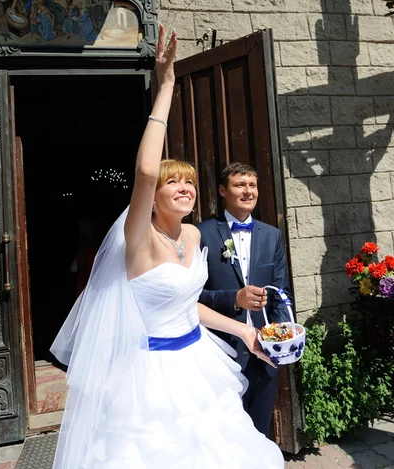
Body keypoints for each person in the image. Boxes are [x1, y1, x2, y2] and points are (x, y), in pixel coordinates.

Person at [50, 25, 284, 469]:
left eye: (190, 182)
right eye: (172, 182)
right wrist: (166, 86)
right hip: (150, 378)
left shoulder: (193, 237)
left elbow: (187, 305)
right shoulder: (137, 240)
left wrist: (244, 331)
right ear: (152, 197)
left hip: (198, 364)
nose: (184, 188)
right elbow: (142, 171)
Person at [197, 162, 292, 437]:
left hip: (264, 353)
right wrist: (234, 299)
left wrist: (282, 339)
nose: (248, 191)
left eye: (252, 185)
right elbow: (190, 297)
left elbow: (281, 292)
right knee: (224, 435)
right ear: (222, 190)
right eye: (240, 185)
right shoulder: (201, 234)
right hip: (220, 353)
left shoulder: (272, 235)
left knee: (259, 433)